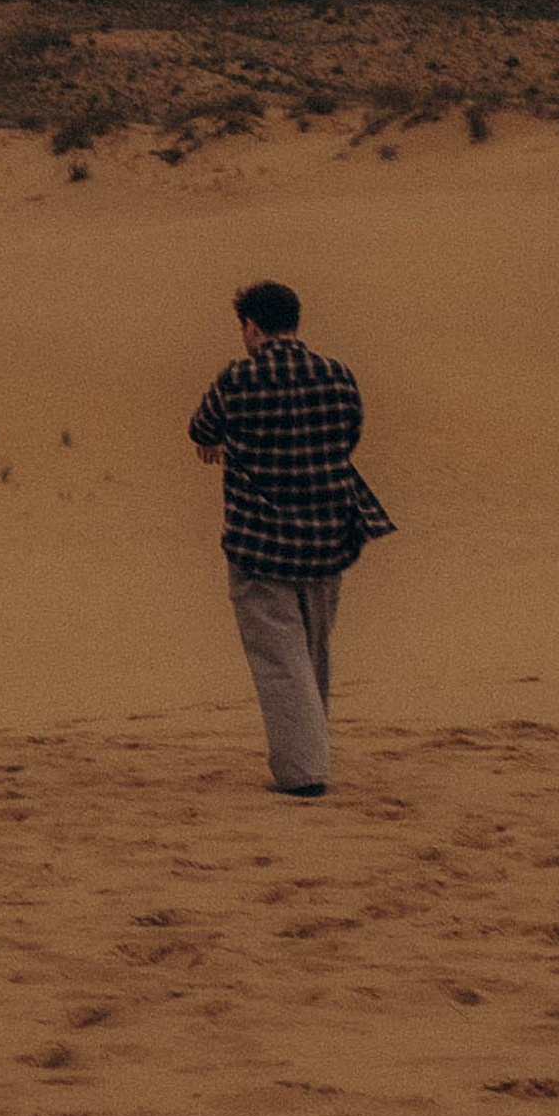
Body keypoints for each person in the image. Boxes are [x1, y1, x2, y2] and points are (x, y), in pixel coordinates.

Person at [189, 280, 393, 799]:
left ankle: (304, 772)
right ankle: (312, 754)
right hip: (328, 535)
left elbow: (201, 425)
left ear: (252, 326)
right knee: (312, 651)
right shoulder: (337, 376)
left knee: (282, 660)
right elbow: (350, 434)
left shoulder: (239, 377)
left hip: (261, 542)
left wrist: (217, 441)